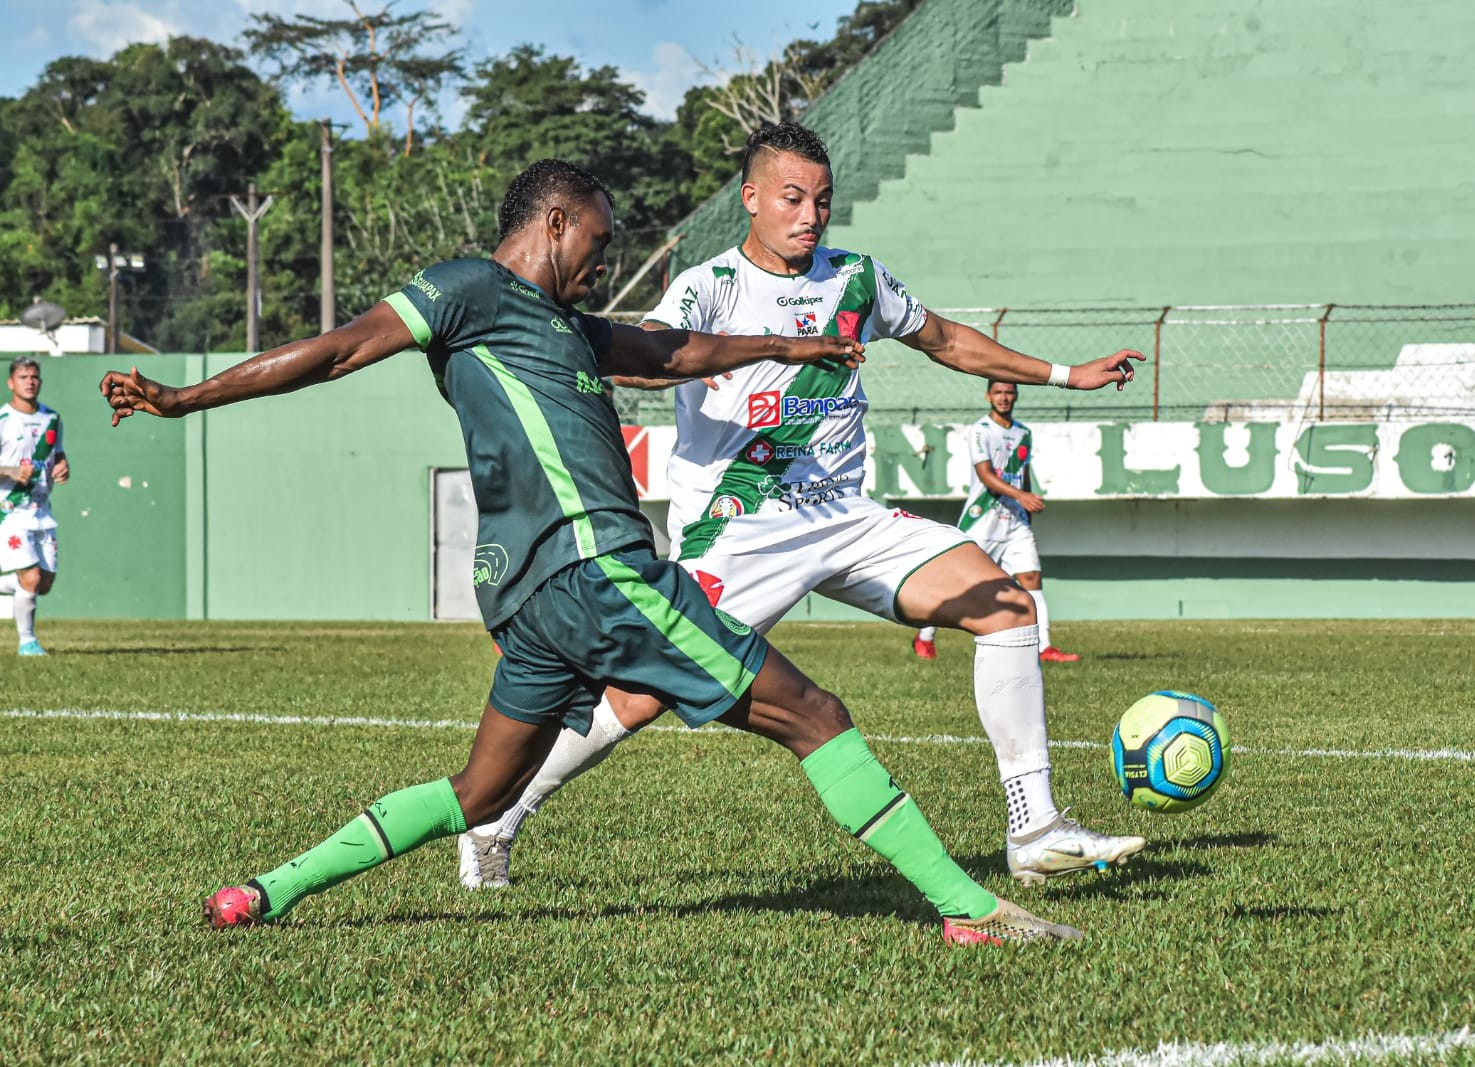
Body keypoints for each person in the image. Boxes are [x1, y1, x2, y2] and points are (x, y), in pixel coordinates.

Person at [100, 158, 1077, 945]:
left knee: (481, 790)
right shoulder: (470, 288)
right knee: (813, 713)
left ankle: (266, 891)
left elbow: (667, 354)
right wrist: (187, 399)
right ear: (556, 220)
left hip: (530, 597)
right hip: (593, 566)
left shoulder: (562, 323)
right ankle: (969, 907)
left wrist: (785, 348)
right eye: (600, 242)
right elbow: (341, 347)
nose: (603, 263)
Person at [459, 123, 1147, 892]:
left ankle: (1035, 827)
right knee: (638, 696)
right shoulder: (709, 286)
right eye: (792, 198)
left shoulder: (856, 279)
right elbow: (649, 356)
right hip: (738, 530)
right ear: (750, 199)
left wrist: (1064, 374)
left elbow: (946, 339)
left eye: (822, 200)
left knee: (1008, 605)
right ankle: (497, 817)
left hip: (844, 517)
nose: (810, 215)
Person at [912, 380, 1076, 663]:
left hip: (1015, 522)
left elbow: (1022, 476)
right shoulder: (980, 431)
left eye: (1009, 392)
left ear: (1016, 395)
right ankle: (924, 637)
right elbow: (985, 474)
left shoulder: (1024, 433)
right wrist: (1021, 495)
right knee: (955, 582)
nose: (1004, 397)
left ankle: (1043, 647)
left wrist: (1025, 508)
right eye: (998, 392)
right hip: (983, 518)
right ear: (988, 395)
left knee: (1031, 577)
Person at [0, 357, 70, 656]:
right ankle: (27, 642)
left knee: (43, 584)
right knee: (30, 577)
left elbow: (58, 454)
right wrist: (11, 471)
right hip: (10, 510)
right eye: (23, 376)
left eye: (34, 377)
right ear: (11, 383)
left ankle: (13, 587)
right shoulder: (3, 420)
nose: (30, 381)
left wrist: (63, 466)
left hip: (42, 511)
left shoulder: (52, 419)